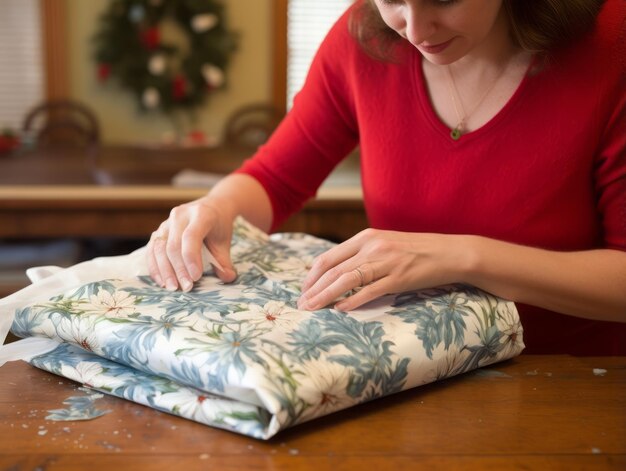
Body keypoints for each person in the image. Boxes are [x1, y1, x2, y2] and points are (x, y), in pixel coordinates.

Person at [147, 0, 626, 355]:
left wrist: (463, 255)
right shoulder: (362, 37)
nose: (415, 29)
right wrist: (216, 207)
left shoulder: (612, 47)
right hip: (412, 373)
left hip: (573, 378)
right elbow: (275, 177)